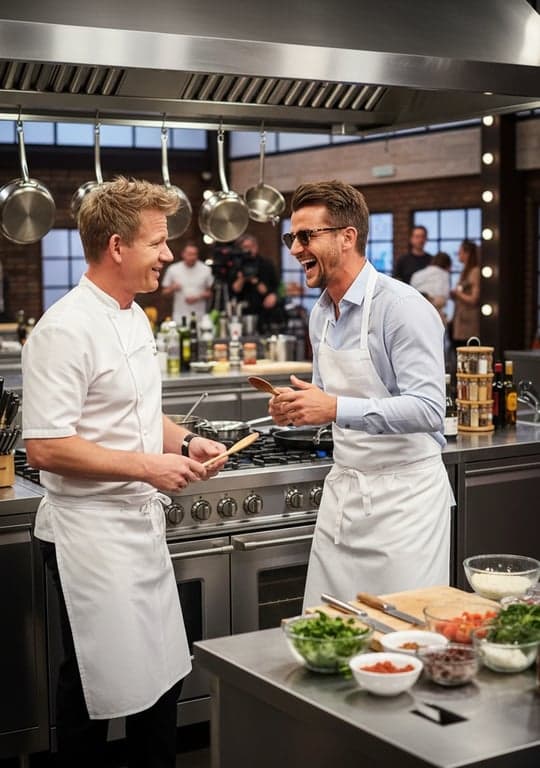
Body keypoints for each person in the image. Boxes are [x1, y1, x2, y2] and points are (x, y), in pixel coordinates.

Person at [22, 178, 227, 768]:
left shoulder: (134, 316)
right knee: (94, 685)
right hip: (89, 535)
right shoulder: (63, 330)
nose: (168, 254)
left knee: (161, 675)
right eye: (158, 242)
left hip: (138, 528)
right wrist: (148, 468)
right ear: (116, 246)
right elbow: (46, 446)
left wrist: (187, 441)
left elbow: (137, 413)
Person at [270, 180, 454, 609]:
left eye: (305, 236)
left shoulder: (402, 308)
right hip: (344, 499)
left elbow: (429, 408)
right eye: (290, 237)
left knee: (400, 637)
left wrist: (332, 407)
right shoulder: (321, 314)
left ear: (347, 236)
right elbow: (329, 398)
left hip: (404, 506)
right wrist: (300, 406)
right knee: (326, 630)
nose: (295, 249)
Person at [230, 233, 281, 332]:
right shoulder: (236, 266)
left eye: (251, 246)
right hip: (242, 313)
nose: (249, 250)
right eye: (245, 247)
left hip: (264, 313)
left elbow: (274, 288)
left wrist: (256, 281)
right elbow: (234, 289)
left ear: (256, 247)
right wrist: (241, 278)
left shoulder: (266, 264)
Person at [161, 241, 213, 323]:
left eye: (194, 254)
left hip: (200, 316)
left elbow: (211, 292)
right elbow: (164, 292)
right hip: (179, 315)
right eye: (189, 254)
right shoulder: (173, 269)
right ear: (183, 254)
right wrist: (172, 288)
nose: (192, 257)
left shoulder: (206, 269)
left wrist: (198, 297)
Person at [450, 239, 481, 347]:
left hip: (469, 324)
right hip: (461, 321)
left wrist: (457, 294)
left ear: (467, 253)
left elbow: (474, 299)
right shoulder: (465, 271)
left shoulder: (474, 272)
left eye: (460, 251)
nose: (458, 254)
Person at [410, 250, 452, 321]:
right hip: (434, 316)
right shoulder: (444, 275)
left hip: (415, 314)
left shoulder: (416, 275)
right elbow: (442, 300)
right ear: (447, 265)